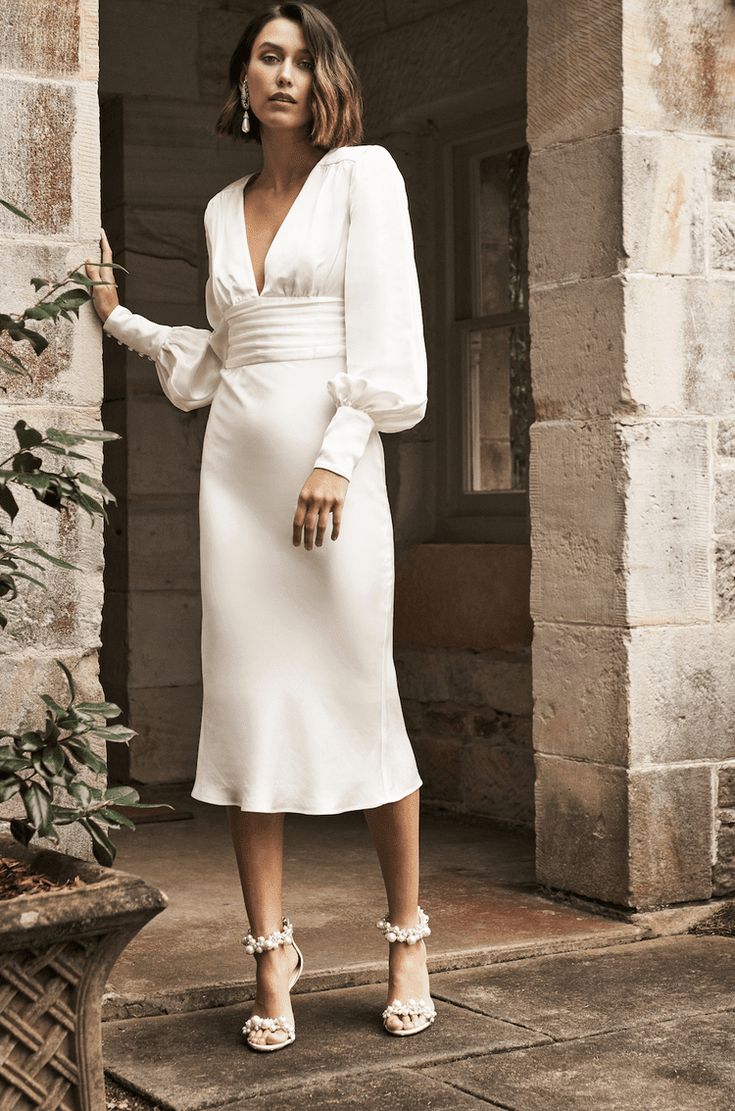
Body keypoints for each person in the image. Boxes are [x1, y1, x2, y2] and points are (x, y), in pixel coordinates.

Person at [85, 1, 434, 1053]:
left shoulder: (365, 176)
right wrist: (119, 319)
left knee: (364, 694)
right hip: (236, 480)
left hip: (333, 476)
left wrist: (337, 455)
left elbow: (390, 340)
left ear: (326, 78)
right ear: (242, 83)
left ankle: (407, 935)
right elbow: (222, 359)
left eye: (300, 58)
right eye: (264, 58)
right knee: (245, 714)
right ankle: (269, 954)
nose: (282, 74)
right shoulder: (218, 207)